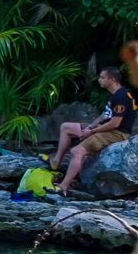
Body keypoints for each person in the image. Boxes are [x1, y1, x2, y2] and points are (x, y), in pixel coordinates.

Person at [53, 65, 132, 193]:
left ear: (112, 80)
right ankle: (56, 161)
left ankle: (63, 186)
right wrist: (90, 127)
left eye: (102, 77)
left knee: (76, 151)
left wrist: (92, 132)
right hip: (104, 128)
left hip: (117, 133)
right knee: (66, 127)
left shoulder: (122, 97)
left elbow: (115, 123)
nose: (99, 80)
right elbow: (104, 115)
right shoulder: (115, 95)